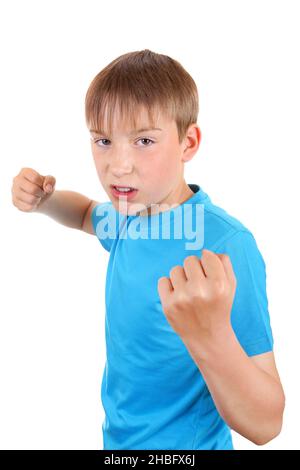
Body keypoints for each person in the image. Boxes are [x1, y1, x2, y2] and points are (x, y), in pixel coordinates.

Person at [11, 49, 285, 450]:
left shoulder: (225, 245)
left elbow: (267, 424)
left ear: (188, 142)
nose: (119, 165)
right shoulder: (129, 215)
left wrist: (211, 336)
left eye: (143, 140)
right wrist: (46, 202)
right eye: (103, 140)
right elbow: (86, 213)